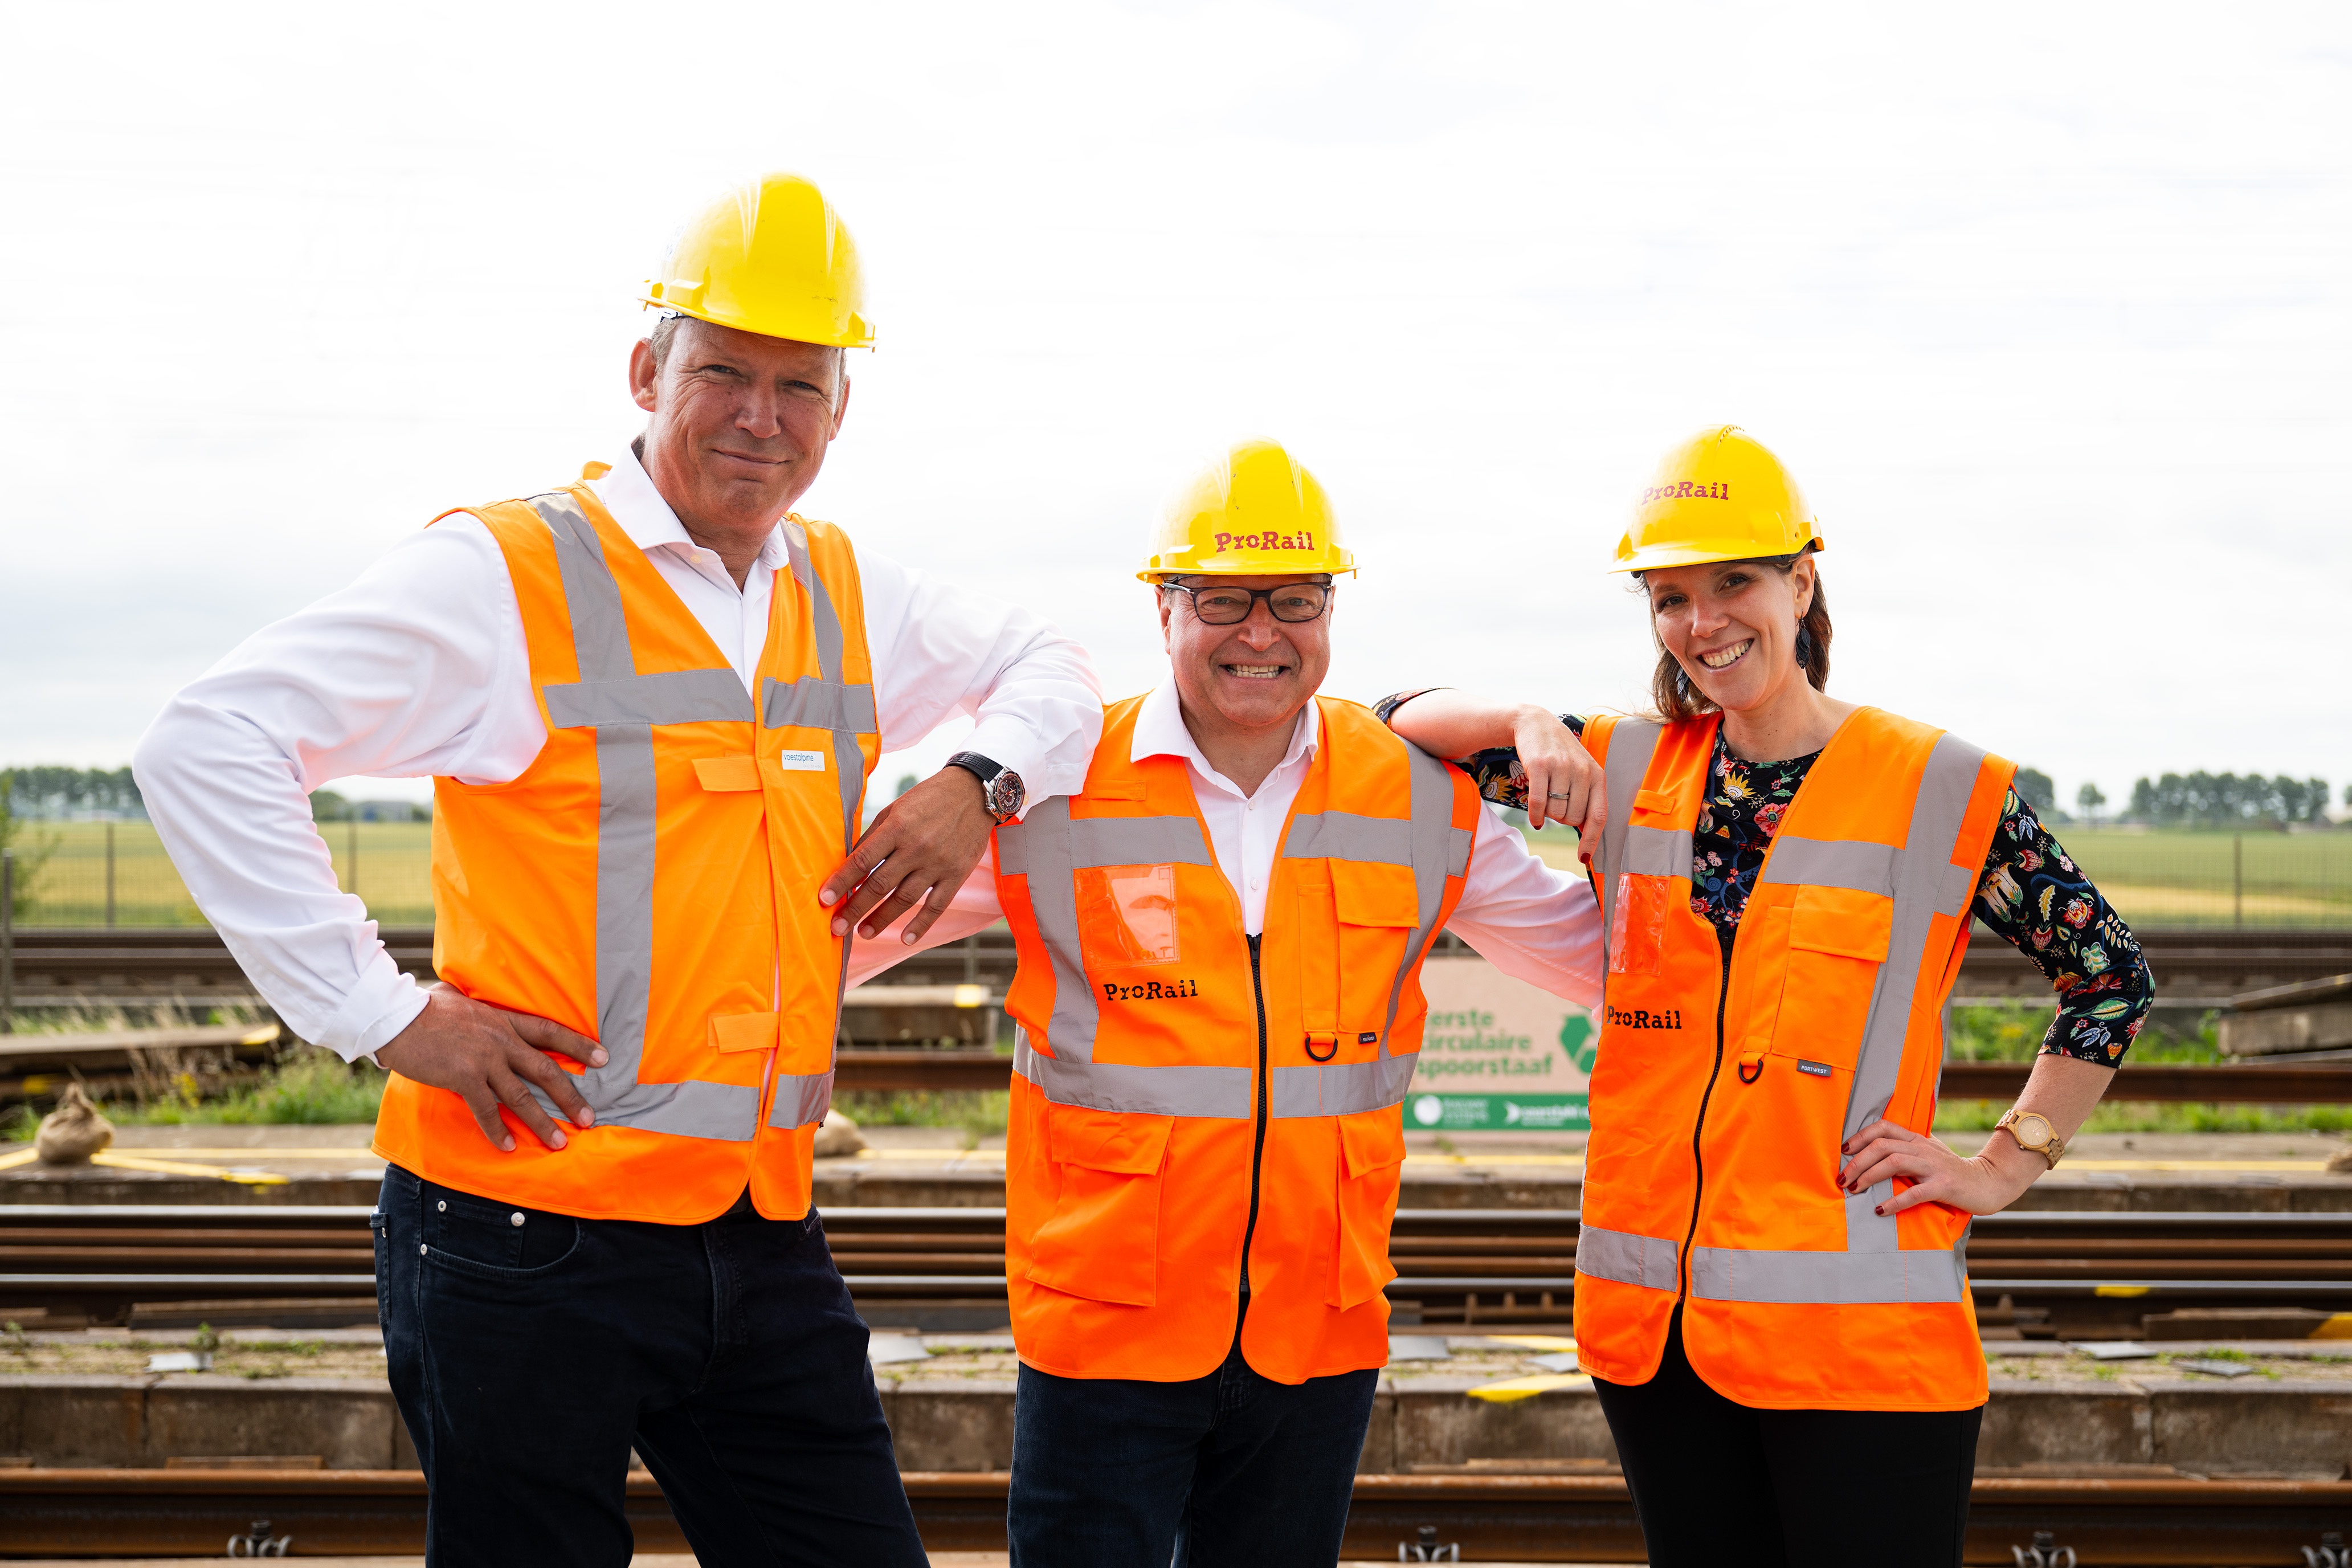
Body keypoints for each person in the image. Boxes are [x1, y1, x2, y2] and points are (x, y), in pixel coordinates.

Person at [132, 173, 1103, 1567]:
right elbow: (210, 738)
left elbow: (1050, 665)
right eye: (723, 372)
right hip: (526, 1228)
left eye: (800, 385)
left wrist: (973, 782)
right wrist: (384, 1014)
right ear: (648, 370)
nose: (760, 418)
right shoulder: (507, 574)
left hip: (759, 1225)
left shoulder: (837, 587)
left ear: (841, 411)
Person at [1378, 426, 2153, 1568]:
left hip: (1862, 1338)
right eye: (1671, 595)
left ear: (1801, 581)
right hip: (1662, 1336)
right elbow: (1397, 716)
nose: (1704, 621)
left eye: (1734, 580)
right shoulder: (1629, 767)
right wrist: (1528, 721)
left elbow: (2111, 976)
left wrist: (2000, 1161)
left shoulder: (1936, 785)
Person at [847, 438, 1607, 1567]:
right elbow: (823, 941)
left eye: (1293, 600)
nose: (1261, 632)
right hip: (1106, 1332)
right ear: (1165, 608)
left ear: (1331, 607)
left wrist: (1587, 778)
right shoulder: (1053, 781)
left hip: (1316, 1334)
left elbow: (1602, 963)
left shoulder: (1415, 795)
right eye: (1223, 601)